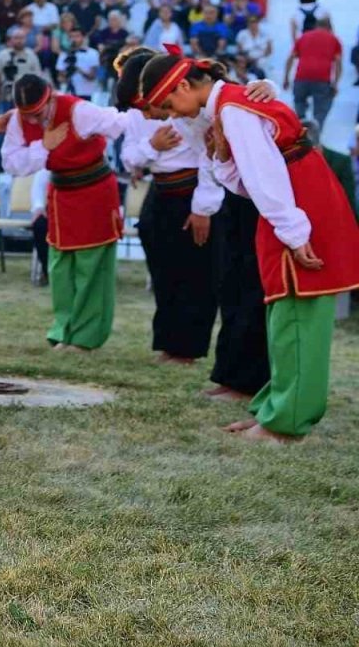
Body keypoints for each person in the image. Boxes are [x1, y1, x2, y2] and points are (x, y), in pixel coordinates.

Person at [139, 53, 359, 442]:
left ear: (185, 86)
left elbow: (264, 174)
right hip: (290, 204)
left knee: (297, 313)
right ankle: (274, 409)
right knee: (283, 313)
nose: (174, 115)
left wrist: (293, 231)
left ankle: (286, 423)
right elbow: (244, 179)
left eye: (171, 104)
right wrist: (221, 156)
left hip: (296, 204)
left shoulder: (235, 109)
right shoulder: (228, 109)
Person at [0, 74, 131, 351]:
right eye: (28, 115)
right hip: (60, 195)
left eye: (38, 113)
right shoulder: (19, 120)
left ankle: (85, 338)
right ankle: (63, 330)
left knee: (92, 265)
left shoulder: (77, 110)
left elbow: (121, 123)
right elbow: (12, 163)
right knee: (60, 267)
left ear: (49, 97)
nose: (33, 120)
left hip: (94, 191)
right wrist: (42, 147)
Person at [116, 48, 221, 363]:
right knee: (163, 272)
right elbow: (128, 157)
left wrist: (203, 208)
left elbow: (209, 157)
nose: (150, 110)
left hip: (193, 191)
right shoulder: (137, 114)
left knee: (196, 273)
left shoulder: (186, 106)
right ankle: (167, 342)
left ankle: (189, 348)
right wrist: (152, 146)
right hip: (159, 190)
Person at [283, 16, 342, 128]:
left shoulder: (304, 36)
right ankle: (316, 134)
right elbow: (338, 63)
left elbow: (291, 58)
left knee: (299, 103)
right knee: (321, 110)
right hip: (322, 79)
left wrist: (286, 77)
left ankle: (301, 129)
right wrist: (335, 83)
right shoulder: (334, 39)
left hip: (301, 77)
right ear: (329, 27)